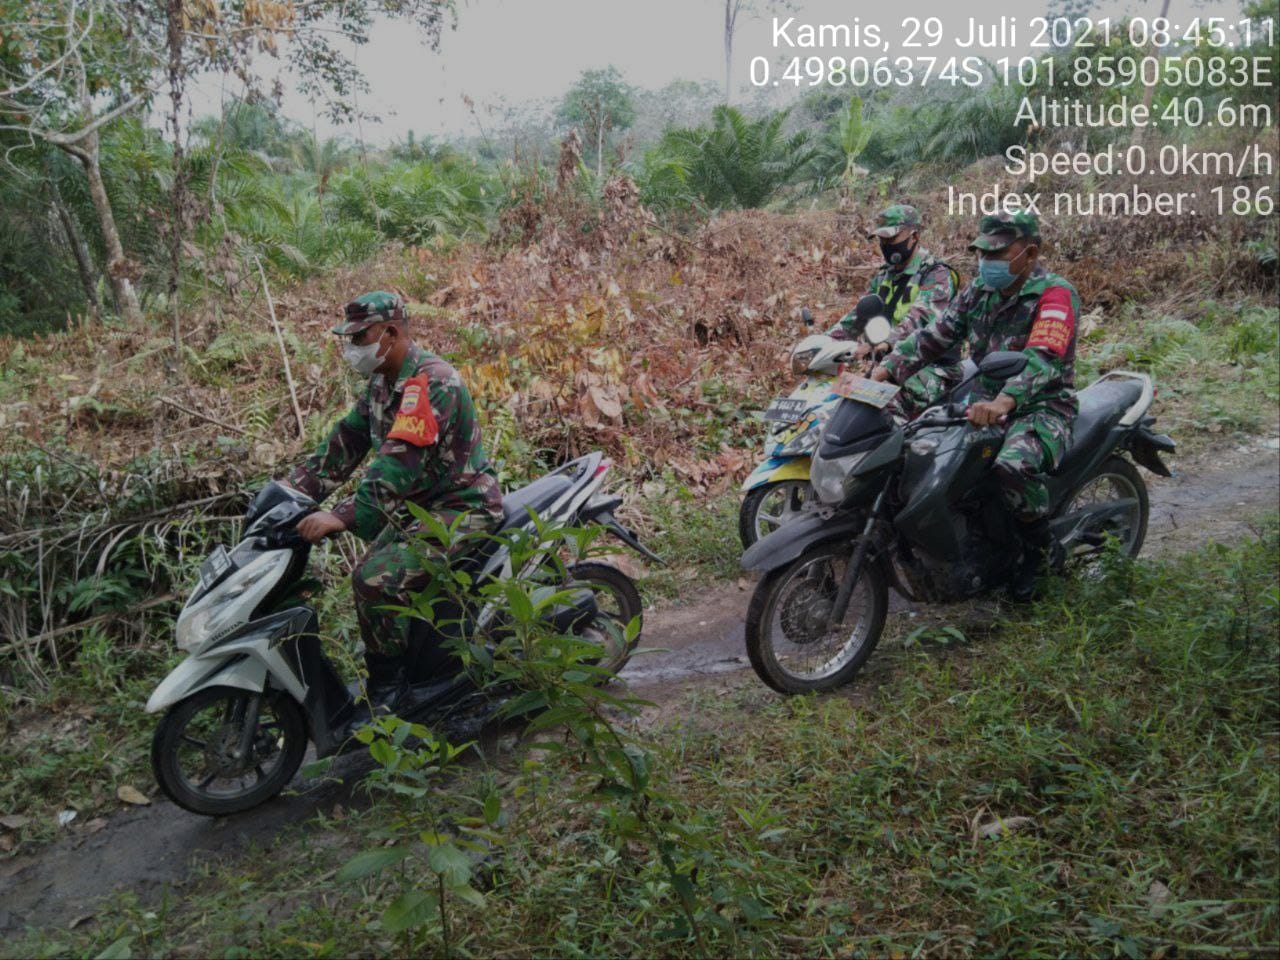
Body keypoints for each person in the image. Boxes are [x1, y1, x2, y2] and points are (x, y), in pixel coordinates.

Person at [288, 291, 504, 710]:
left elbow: (398, 465)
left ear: (389, 332)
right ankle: (422, 664)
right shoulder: (382, 384)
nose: (352, 349)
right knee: (375, 575)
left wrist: (341, 515)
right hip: (419, 508)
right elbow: (344, 442)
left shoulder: (432, 382)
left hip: (462, 508)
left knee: (373, 578)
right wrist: (292, 493)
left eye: (359, 337)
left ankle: (392, 692)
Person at [870, 211, 1080, 600]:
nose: (987, 263)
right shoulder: (979, 290)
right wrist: (883, 373)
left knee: (1011, 466)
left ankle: (1041, 552)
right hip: (980, 402)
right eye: (983, 253)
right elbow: (935, 335)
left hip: (1041, 406)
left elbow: (1044, 358)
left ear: (1030, 253)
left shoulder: (1055, 295)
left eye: (998, 254)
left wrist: (1005, 400)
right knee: (927, 452)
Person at [830, 203, 963, 419]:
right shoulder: (885, 277)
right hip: (888, 366)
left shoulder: (936, 275)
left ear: (914, 236)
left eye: (891, 239)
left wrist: (882, 342)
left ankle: (904, 453)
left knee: (879, 411)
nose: (886, 245)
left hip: (933, 370)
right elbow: (855, 318)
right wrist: (824, 344)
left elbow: (920, 319)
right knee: (838, 404)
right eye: (881, 240)